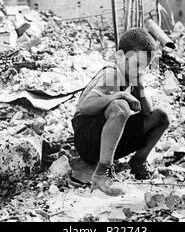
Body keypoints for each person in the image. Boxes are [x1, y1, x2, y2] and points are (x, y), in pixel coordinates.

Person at [71, 28, 170, 197]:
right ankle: (102, 173)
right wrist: (120, 94)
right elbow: (84, 107)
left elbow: (147, 112)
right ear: (120, 56)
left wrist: (140, 85)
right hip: (87, 139)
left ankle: (138, 161)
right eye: (136, 64)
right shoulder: (112, 74)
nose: (140, 70)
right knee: (120, 106)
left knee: (161, 117)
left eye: (144, 67)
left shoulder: (131, 77)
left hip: (105, 142)